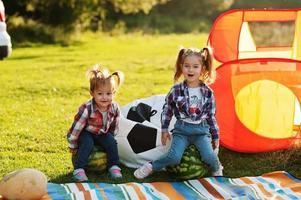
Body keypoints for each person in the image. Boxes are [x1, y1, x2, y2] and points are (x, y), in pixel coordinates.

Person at [134, 47, 223, 179]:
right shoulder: (176, 90)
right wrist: (164, 129)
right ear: (181, 67)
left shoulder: (208, 93)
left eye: (195, 66)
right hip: (182, 131)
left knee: (209, 156)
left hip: (201, 132)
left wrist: (215, 136)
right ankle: (152, 166)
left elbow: (211, 116)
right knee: (174, 157)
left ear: (202, 68)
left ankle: (217, 168)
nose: (190, 70)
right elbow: (167, 110)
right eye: (187, 66)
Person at [67, 64, 124, 182]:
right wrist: (73, 144)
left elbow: (114, 125)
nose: (105, 97)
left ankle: (113, 166)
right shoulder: (87, 108)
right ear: (92, 93)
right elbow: (76, 128)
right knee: (87, 143)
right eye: (100, 94)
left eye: (108, 94)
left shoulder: (114, 107)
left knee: (112, 142)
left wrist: (110, 137)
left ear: (114, 93)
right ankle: (79, 169)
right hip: (86, 132)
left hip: (102, 133)